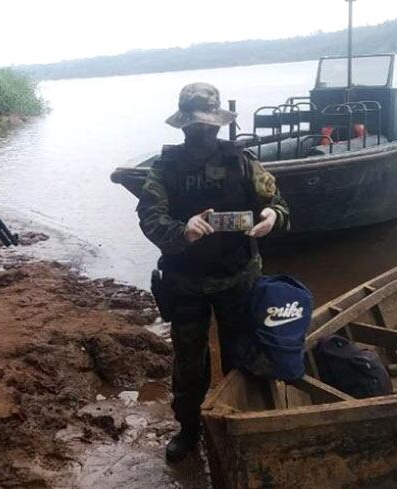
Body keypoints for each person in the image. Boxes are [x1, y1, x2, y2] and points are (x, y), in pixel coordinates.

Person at [137, 82, 290, 462]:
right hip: (186, 282)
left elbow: (276, 201)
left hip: (238, 276)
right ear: (184, 126)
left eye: (209, 126)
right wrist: (181, 230)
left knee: (243, 354)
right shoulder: (164, 168)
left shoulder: (241, 160)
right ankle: (189, 427)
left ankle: (243, 422)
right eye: (196, 126)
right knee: (189, 362)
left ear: (218, 125)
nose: (204, 132)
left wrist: (273, 217)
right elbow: (149, 217)